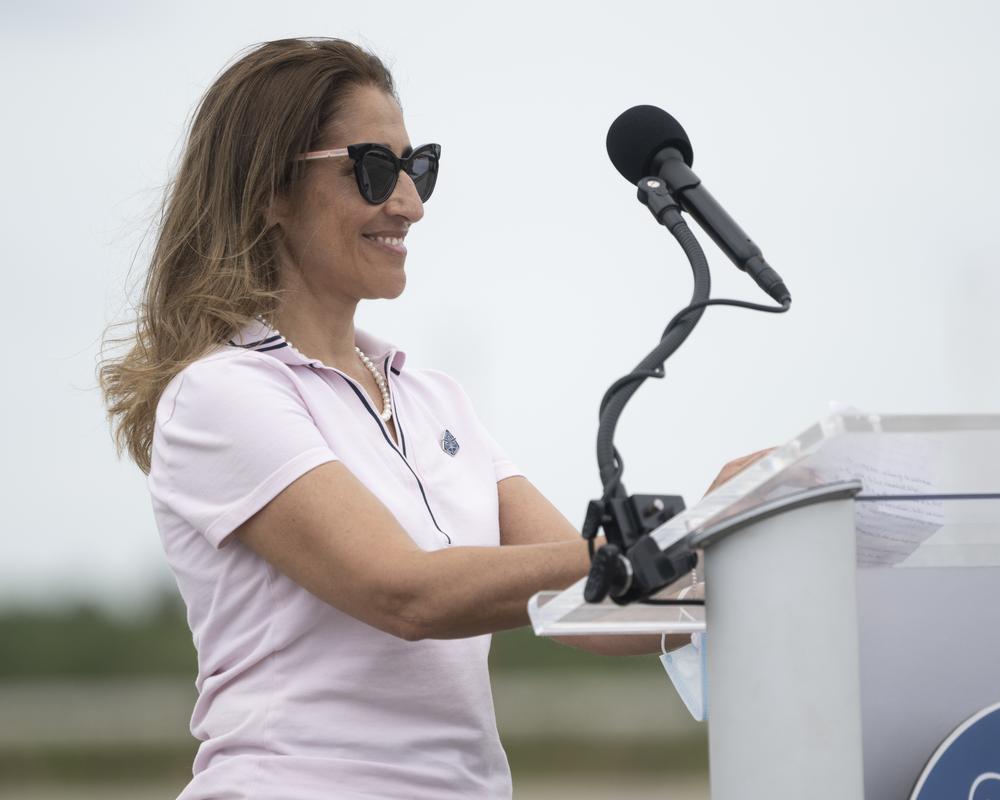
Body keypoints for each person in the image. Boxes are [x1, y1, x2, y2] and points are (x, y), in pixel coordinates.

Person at [97, 38, 767, 799]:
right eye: (374, 170)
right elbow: (407, 594)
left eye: (418, 168)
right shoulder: (222, 395)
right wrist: (677, 535)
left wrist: (760, 537)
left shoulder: (433, 398)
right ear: (269, 191)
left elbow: (598, 609)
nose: (410, 204)